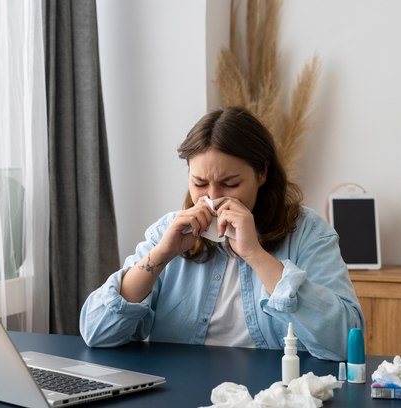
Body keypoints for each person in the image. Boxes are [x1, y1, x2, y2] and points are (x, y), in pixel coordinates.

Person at [80, 106, 364, 361]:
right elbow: (97, 332)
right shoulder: (168, 231)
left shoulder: (308, 232)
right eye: (199, 183)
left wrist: (255, 254)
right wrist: (161, 255)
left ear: (262, 173)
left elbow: (344, 342)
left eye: (230, 183)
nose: (212, 198)